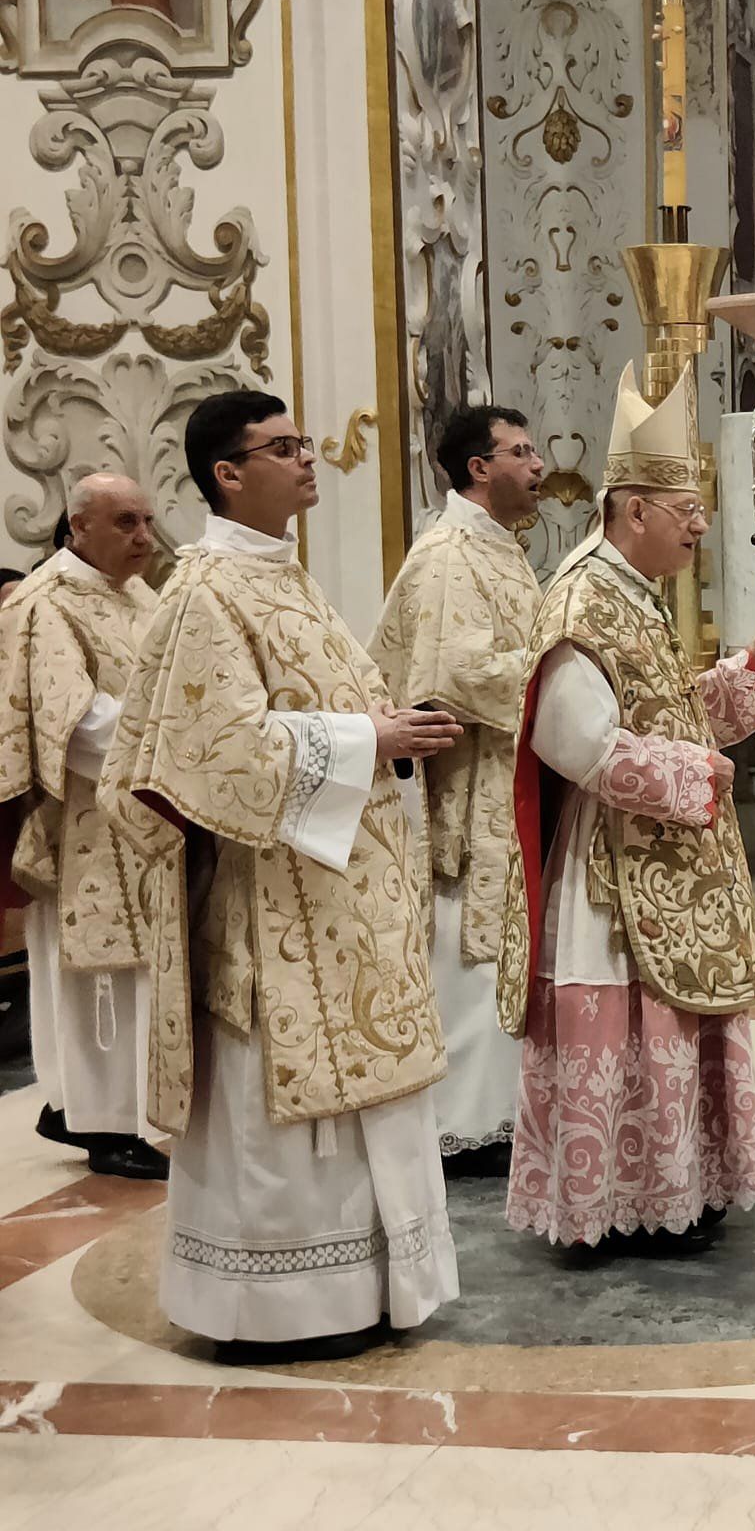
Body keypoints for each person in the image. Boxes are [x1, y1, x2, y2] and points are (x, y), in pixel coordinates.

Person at [97, 390, 464, 1361]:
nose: (310, 460)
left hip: (344, 902)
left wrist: (384, 727)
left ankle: (373, 1289)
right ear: (228, 472)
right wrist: (367, 736)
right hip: (277, 914)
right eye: (286, 447)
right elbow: (211, 756)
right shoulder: (203, 592)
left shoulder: (282, 579)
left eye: (305, 444)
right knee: (287, 1110)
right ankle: (285, 1308)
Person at [497, 366, 755, 1250]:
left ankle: (678, 1189)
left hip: (666, 852)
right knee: (629, 1017)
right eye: (685, 510)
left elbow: (666, 710)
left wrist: (742, 678)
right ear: (632, 512)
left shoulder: (635, 594)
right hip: (611, 865)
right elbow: (571, 739)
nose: (699, 526)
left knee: (674, 1016)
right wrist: (692, 777)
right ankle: (620, 1205)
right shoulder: (583, 599)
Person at [369, 405, 545, 1178]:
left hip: (513, 774)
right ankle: (466, 1123)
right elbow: (456, 673)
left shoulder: (500, 549)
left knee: (507, 945)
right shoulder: (449, 555)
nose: (539, 464)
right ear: (478, 467)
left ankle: (507, 1113)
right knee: (475, 948)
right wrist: (566, 677)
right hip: (476, 786)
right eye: (521, 451)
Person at [0, 475, 166, 1179]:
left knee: (141, 974)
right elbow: (70, 719)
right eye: (125, 522)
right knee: (99, 979)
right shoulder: (45, 603)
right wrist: (171, 742)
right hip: (85, 821)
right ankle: (101, 1122)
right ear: (78, 527)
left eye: (148, 521)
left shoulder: (136, 594)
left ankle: (115, 1110)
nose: (144, 537)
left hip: (146, 810)